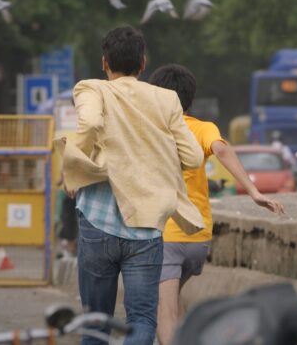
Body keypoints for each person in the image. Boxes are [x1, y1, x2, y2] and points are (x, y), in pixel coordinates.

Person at [60, 27, 206, 345]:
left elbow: (90, 124)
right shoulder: (166, 99)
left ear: (104, 62)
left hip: (98, 220)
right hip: (146, 227)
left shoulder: (91, 89)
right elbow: (193, 157)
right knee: (141, 319)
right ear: (143, 64)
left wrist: (73, 166)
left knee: (95, 321)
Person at [148, 63, 286, 345]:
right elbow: (221, 147)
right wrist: (254, 191)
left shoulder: (151, 130)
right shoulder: (202, 128)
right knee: (172, 304)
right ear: (190, 99)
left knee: (165, 311)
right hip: (198, 238)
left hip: (166, 235)